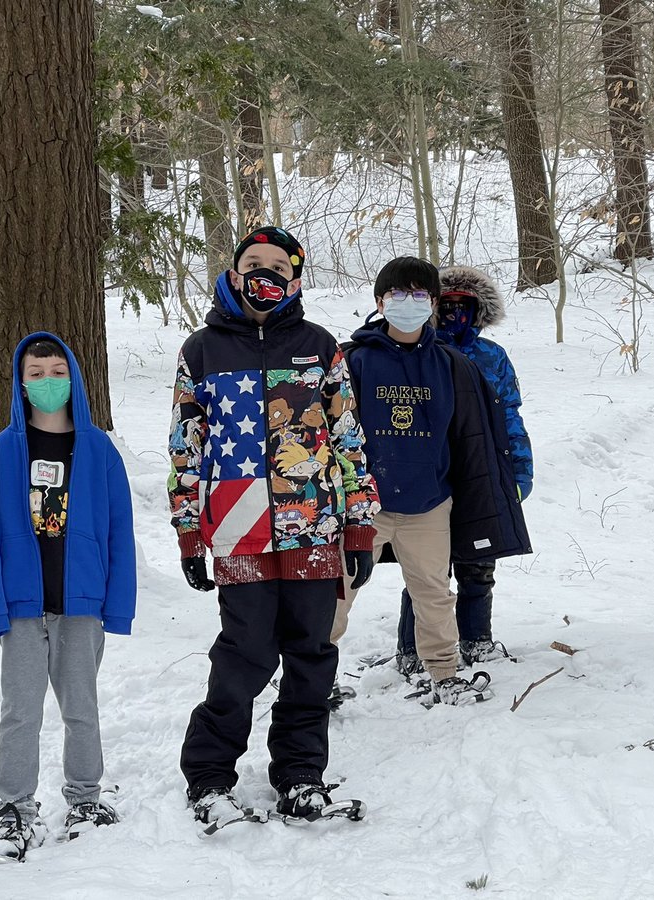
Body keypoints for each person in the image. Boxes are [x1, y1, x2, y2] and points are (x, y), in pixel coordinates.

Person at [168, 226, 379, 827]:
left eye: (276, 266)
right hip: (239, 529)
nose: (263, 273)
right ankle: (210, 774)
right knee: (246, 654)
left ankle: (301, 775)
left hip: (312, 528)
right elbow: (187, 449)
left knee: (312, 654)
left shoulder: (320, 346)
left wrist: (358, 527)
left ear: (295, 279)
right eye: (251, 263)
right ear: (234, 275)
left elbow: (348, 442)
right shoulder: (202, 351)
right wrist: (189, 532)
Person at [330, 257, 530, 702]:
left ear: (432, 303)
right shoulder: (352, 361)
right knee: (336, 594)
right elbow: (331, 434)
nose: (409, 303)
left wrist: (500, 482)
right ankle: (311, 678)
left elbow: (474, 436)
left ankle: (443, 673)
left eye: (420, 295)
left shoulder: (453, 364)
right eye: (398, 295)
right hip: (365, 506)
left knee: (435, 595)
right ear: (379, 301)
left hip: (430, 504)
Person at [0, 333, 136, 857]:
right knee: (20, 710)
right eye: (36, 373)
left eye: (56, 371)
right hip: (23, 607)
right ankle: (14, 806)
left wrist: (117, 603)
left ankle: (86, 797)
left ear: (74, 378)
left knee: (80, 707)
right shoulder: (2, 452)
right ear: (21, 383)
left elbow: (118, 529)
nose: (48, 382)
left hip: (81, 603)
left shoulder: (99, 450)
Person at [396, 265, 533, 669]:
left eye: (465, 306)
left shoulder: (493, 357)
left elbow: (510, 414)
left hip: (483, 471)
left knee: (478, 562)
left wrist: (519, 470)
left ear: (479, 312)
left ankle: (476, 639)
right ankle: (411, 648)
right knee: (426, 570)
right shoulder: (419, 351)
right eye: (448, 305)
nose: (456, 314)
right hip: (431, 470)